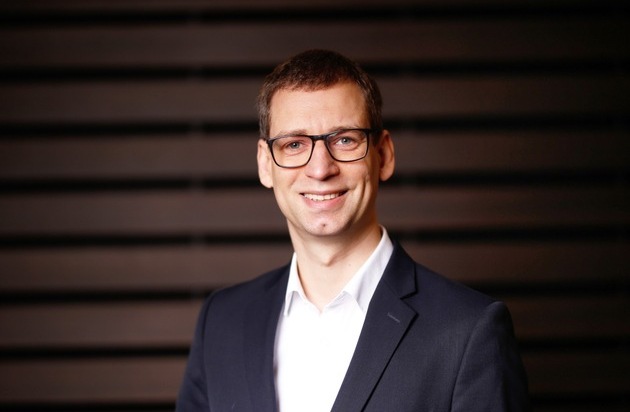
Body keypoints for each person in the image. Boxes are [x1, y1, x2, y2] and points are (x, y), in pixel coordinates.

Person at [176, 49, 530, 411]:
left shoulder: (468, 330)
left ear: (384, 155)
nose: (320, 169)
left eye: (344, 140)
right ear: (266, 165)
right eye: (294, 144)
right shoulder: (221, 321)